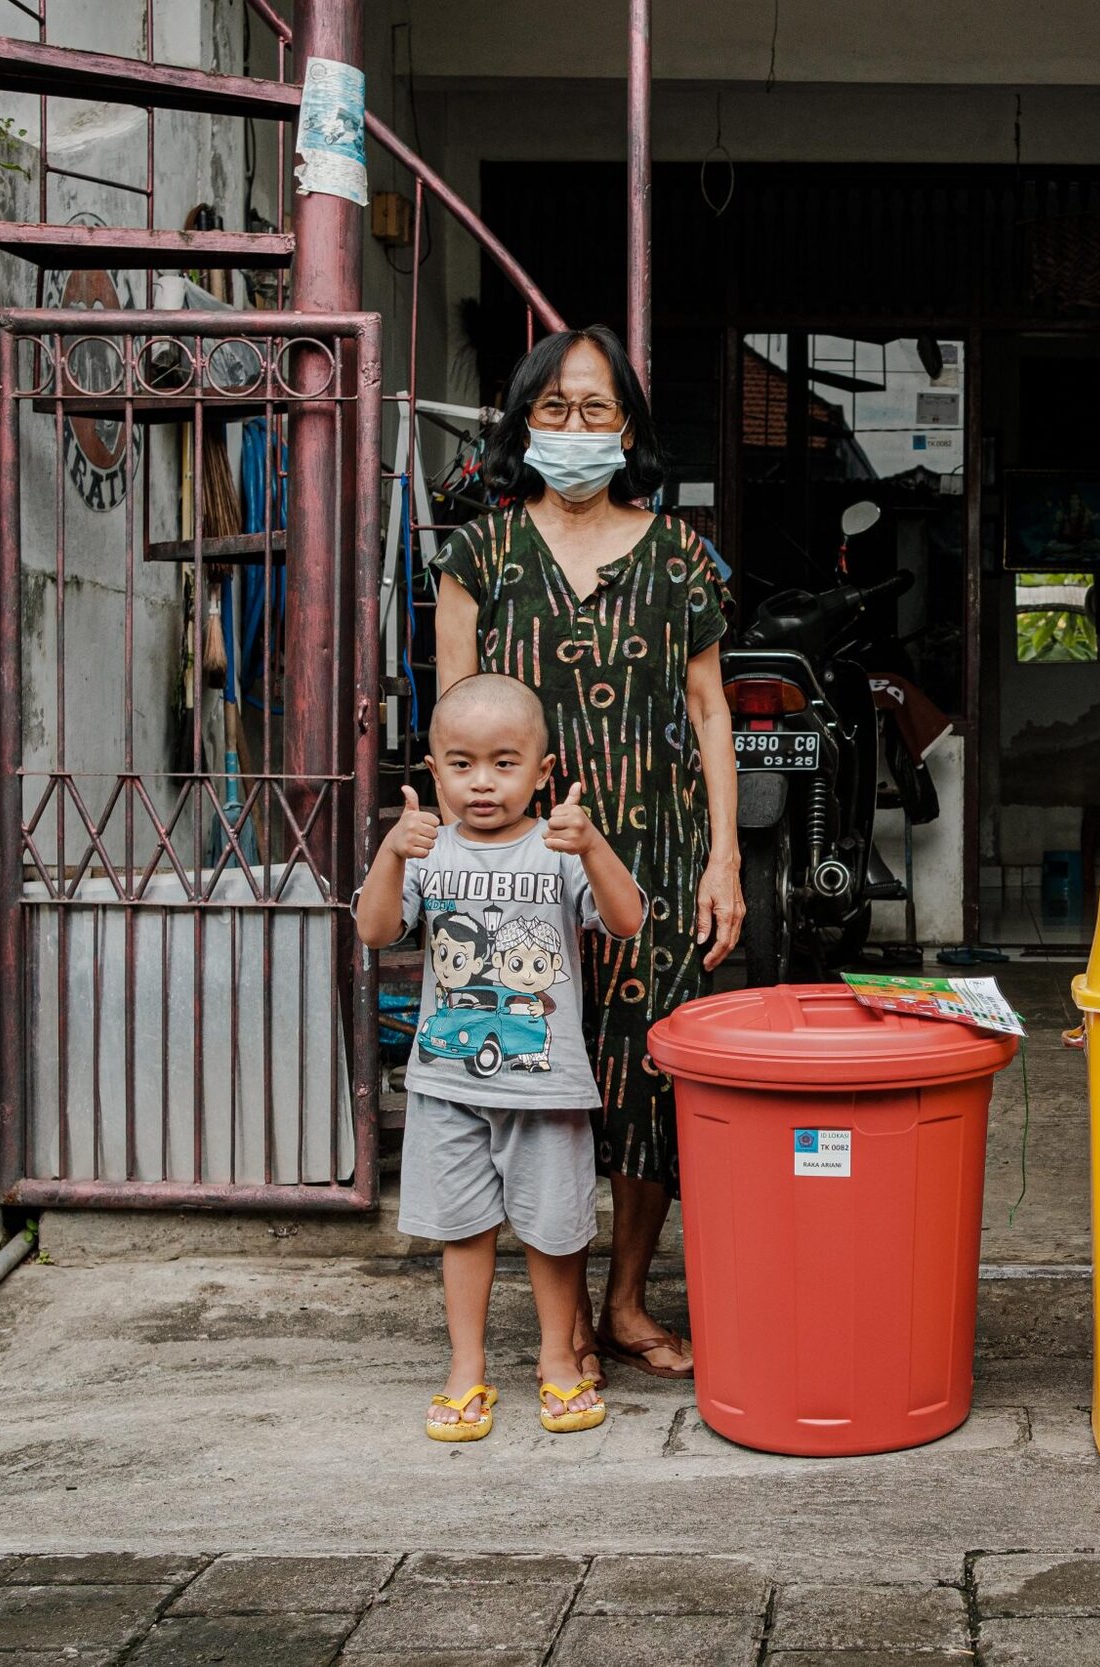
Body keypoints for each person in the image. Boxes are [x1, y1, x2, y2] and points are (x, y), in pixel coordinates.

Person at [433, 326, 742, 1384]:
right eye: (554, 407)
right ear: (525, 421)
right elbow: (450, 716)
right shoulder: (477, 553)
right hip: (515, 866)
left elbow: (710, 713)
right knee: (539, 1078)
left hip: (651, 853)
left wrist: (725, 858)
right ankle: (554, 1320)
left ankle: (622, 1301)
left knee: (646, 1072)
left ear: (628, 427)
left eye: (596, 408)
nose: (573, 427)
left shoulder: (679, 553)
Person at [357, 674, 646, 1441]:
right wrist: (390, 853)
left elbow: (626, 921)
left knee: (553, 1229)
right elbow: (376, 930)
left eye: (504, 763)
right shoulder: (428, 848)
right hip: (447, 1083)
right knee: (464, 1228)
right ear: (434, 770)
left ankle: (556, 1358)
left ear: (543, 772)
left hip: (544, 1084)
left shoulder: (557, 847)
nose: (482, 782)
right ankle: (466, 1368)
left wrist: (592, 844)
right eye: (461, 764)